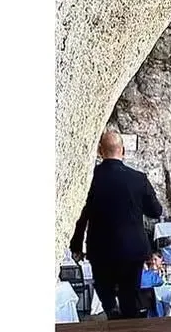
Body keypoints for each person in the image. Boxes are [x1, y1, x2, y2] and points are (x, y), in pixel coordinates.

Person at [69, 130, 162, 319]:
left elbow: (81, 215)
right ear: (123, 151)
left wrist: (76, 245)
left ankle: (112, 314)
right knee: (130, 299)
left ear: (99, 151)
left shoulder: (89, 179)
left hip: (101, 249)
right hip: (132, 249)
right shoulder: (138, 178)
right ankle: (130, 328)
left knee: (107, 298)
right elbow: (156, 211)